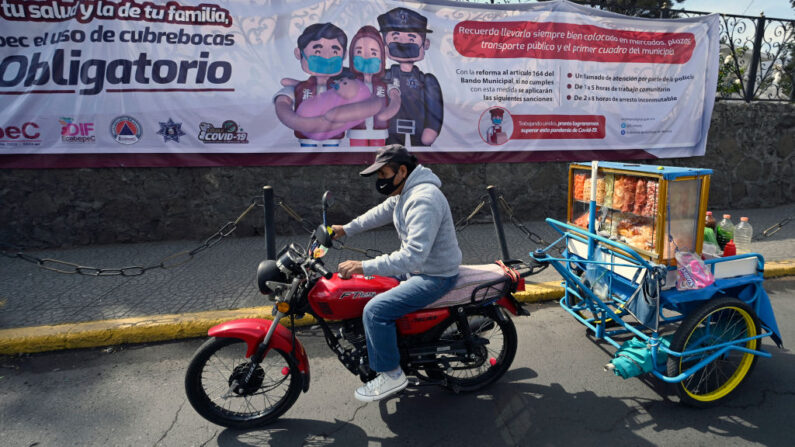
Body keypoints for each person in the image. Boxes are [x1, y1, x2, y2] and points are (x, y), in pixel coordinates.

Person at [332, 144, 461, 402]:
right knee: (367, 287)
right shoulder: (405, 192)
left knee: (376, 310)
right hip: (419, 269)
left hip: (434, 275)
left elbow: (413, 255)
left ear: (402, 171)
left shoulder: (424, 198)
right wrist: (345, 229)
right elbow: (379, 213)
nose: (381, 181)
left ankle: (392, 374)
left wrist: (363, 265)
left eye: (383, 174)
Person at [273, 22, 382, 148]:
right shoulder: (301, 88)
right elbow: (283, 102)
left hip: (333, 138)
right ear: (299, 53)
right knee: (307, 155)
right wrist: (288, 110)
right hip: (307, 138)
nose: (326, 57)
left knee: (332, 155)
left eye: (334, 52)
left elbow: (371, 102)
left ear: (344, 55)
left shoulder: (343, 86)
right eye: (318, 51)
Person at [377, 7, 443, 147]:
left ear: (425, 44)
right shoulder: (385, 76)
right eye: (396, 37)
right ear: (385, 45)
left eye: (411, 38)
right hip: (391, 130)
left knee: (418, 159)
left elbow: (434, 108)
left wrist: (431, 128)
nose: (403, 43)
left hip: (418, 129)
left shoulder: (426, 81)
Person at [347, 25, 401, 147]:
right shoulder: (349, 84)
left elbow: (395, 100)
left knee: (378, 160)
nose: (366, 57)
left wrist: (387, 113)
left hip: (379, 133)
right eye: (359, 52)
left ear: (382, 57)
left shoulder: (386, 84)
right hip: (357, 131)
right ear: (352, 56)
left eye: (373, 52)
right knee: (358, 159)